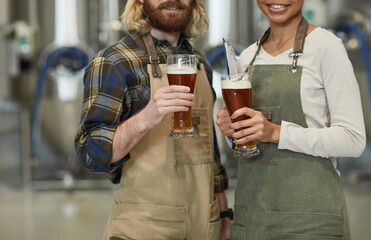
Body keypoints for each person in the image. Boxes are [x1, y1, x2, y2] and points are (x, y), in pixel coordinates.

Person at [74, 0, 231, 239]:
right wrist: (147, 117)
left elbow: (210, 153)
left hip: (204, 227)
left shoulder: (200, 65)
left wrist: (223, 215)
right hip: (143, 228)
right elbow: (90, 153)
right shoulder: (114, 62)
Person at [216, 1, 366, 239]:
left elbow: (353, 139)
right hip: (254, 219)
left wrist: (276, 132)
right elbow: (247, 142)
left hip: (310, 222)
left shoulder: (327, 48)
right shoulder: (246, 58)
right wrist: (231, 131)